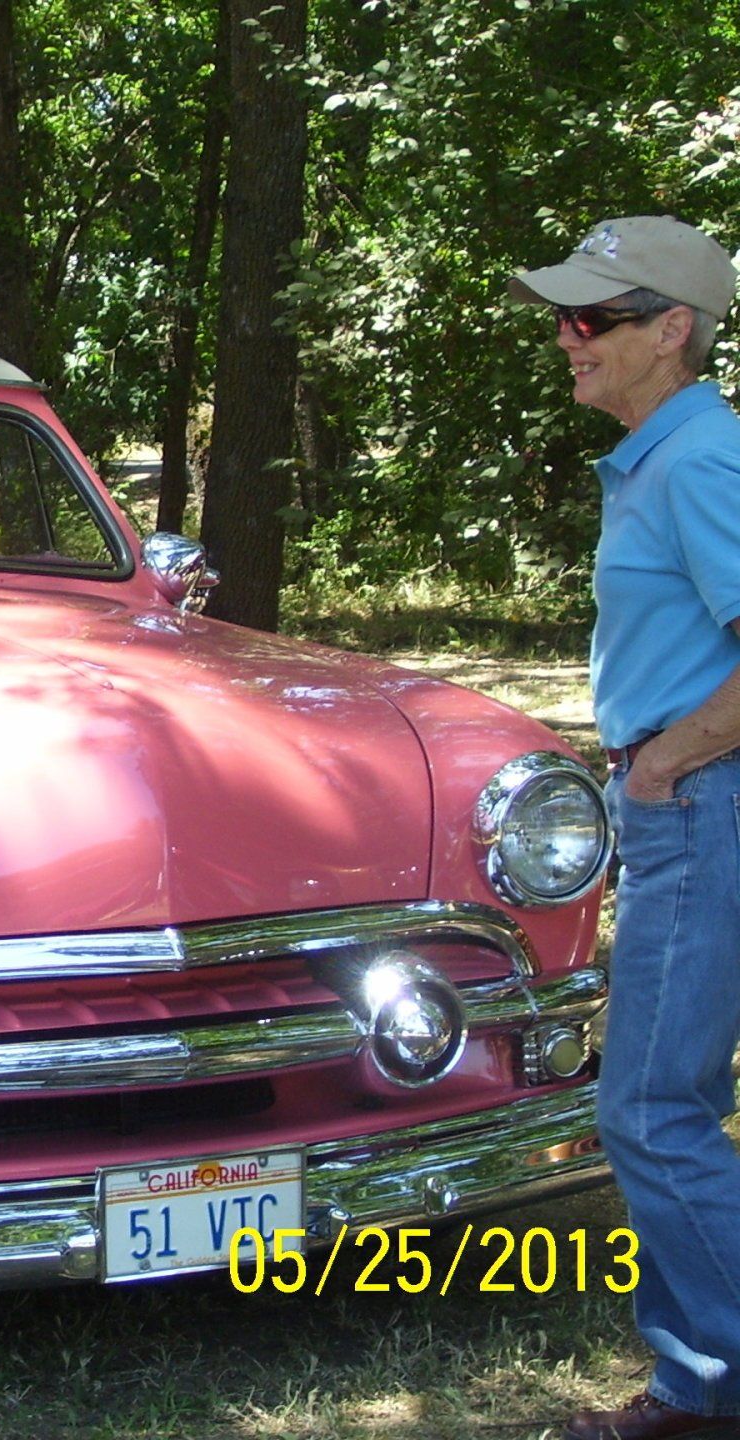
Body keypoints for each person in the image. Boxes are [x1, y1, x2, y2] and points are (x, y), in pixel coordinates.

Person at [512, 214, 740, 1440]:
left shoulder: (700, 460)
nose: (568, 336)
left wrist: (664, 767)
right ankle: (698, 1384)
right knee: (669, 1099)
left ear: (674, 330)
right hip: (687, 806)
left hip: (703, 805)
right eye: (563, 315)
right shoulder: (664, 458)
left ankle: (711, 1389)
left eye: (593, 317)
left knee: (649, 1110)